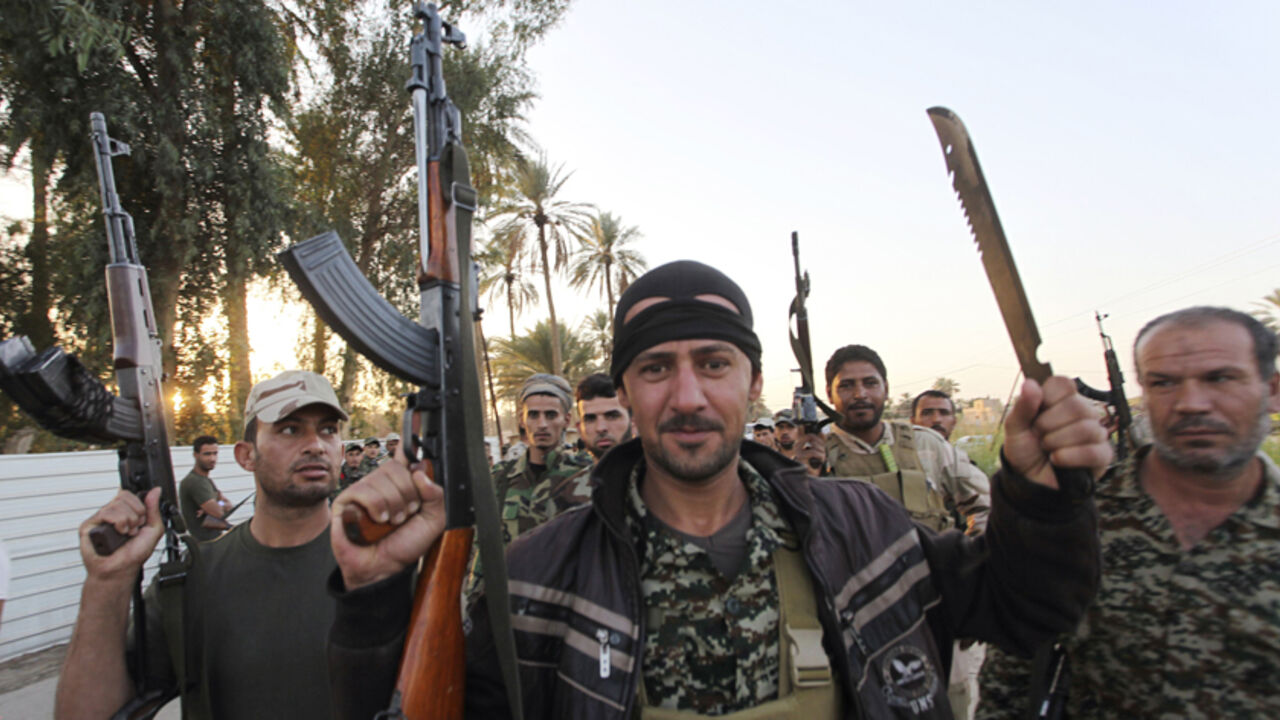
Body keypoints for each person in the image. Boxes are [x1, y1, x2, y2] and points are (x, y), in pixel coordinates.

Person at [327, 259, 1109, 719]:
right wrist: (372, 600)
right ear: (627, 393)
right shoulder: (544, 577)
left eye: (714, 363)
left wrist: (1040, 498)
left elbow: (1030, 608)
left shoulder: (861, 528)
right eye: (657, 368)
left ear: (754, 381)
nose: (689, 396)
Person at [978, 306, 1280, 719]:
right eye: (1164, 383)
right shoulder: (1075, 521)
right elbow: (1013, 673)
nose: (1192, 403)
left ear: (1273, 389)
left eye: (1220, 378)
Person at [55, 370, 348, 720]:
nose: (316, 444)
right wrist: (105, 583)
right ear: (246, 456)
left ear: (341, 451)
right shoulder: (191, 580)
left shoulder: (387, 565)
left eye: (328, 429)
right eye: (290, 429)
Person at [824, 345, 990, 535]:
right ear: (829, 394)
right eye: (846, 385)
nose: (860, 394)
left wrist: (967, 555)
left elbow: (986, 505)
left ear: (886, 389)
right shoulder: (819, 456)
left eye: (870, 383)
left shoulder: (926, 444)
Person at [178, 435, 231, 542]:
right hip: (204, 546)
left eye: (215, 453)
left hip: (214, 543)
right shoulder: (195, 482)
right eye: (207, 454)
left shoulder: (206, 480)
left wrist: (217, 503)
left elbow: (228, 506)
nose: (212, 458)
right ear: (195, 455)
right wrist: (219, 503)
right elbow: (219, 513)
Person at [575, 372, 633, 460]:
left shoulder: (658, 472)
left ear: (633, 421)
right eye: (590, 419)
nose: (600, 428)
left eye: (612, 416)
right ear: (580, 429)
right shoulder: (575, 473)